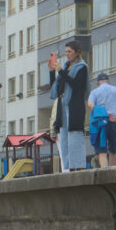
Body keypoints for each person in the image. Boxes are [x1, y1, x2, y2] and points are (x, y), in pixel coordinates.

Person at [48, 40, 89, 171]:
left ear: (77, 52)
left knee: (75, 137)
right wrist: (51, 72)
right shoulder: (65, 66)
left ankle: (78, 166)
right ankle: (68, 168)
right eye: (66, 52)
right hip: (63, 105)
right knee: (64, 138)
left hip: (74, 105)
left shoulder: (81, 67)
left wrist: (61, 72)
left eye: (70, 52)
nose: (67, 55)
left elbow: (77, 85)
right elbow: (57, 87)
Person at [87, 71, 116, 168]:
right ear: (108, 81)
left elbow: (90, 105)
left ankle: (105, 173)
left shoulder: (94, 92)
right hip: (115, 122)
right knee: (113, 151)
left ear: (98, 82)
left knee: (102, 151)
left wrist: (103, 113)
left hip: (101, 122)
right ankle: (113, 174)